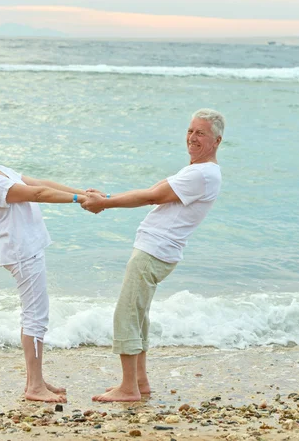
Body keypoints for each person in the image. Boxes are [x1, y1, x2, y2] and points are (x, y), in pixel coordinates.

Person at [82, 109, 224, 402]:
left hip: (155, 251)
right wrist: (105, 198)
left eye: (201, 133)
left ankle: (128, 388)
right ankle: (140, 382)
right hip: (156, 249)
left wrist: (104, 205)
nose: (192, 138)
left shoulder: (202, 173)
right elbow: (152, 190)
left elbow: (152, 197)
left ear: (216, 140)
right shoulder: (195, 171)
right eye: (190, 131)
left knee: (127, 314)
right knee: (139, 314)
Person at [0, 132, 93, 403]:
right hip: (21, 250)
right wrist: (78, 201)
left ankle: (35, 380)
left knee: (35, 314)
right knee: (36, 316)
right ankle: (34, 387)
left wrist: (84, 192)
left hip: (28, 247)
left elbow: (40, 182)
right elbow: (36, 193)